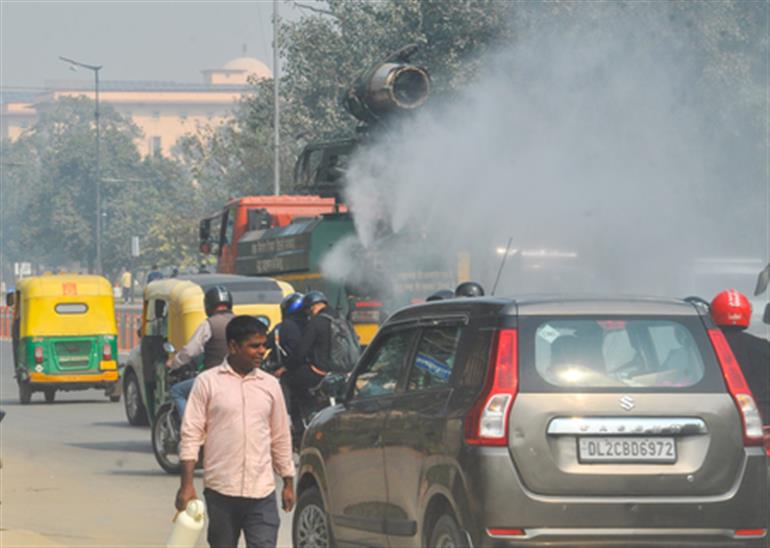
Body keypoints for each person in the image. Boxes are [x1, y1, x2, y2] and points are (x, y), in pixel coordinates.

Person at [176, 315, 295, 548]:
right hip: (221, 491)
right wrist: (186, 484)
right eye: (254, 346)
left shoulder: (270, 385)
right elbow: (191, 434)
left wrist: (288, 482)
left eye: (263, 346)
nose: (261, 351)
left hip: (262, 492)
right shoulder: (207, 382)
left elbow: (280, 436)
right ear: (233, 346)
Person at [166, 286, 235, 417]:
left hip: (216, 379)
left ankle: (189, 425)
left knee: (177, 391)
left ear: (208, 305)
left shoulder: (209, 324)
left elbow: (190, 351)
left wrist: (174, 362)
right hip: (242, 377)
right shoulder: (241, 322)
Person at [711, 289, 770, 425]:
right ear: (747, 313)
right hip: (763, 418)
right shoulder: (763, 346)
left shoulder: (706, 345)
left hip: (722, 416)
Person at [267, 293, 306, 445]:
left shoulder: (283, 327)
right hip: (315, 368)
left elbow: (267, 342)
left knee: (283, 384)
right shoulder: (311, 322)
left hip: (294, 369)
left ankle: (286, 421)